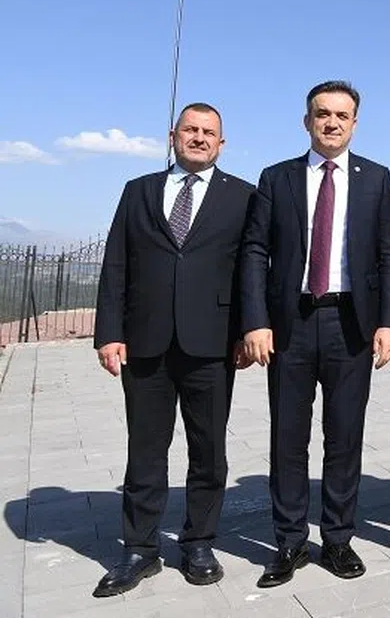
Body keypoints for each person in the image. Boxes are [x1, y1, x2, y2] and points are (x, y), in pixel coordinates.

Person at [240, 80, 390, 587]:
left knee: (344, 436)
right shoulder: (277, 178)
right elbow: (254, 251)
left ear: (355, 123)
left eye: (342, 115)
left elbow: (388, 255)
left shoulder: (376, 178)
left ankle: (337, 539)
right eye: (322, 114)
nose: (332, 122)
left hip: (350, 323)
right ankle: (289, 541)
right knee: (288, 437)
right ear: (307, 121)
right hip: (290, 324)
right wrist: (256, 320)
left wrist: (388, 321)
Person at [91, 103, 255, 597]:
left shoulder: (244, 197)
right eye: (191, 130)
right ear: (172, 135)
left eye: (209, 132)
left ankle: (199, 542)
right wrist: (108, 332)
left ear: (221, 144)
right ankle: (139, 549)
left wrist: (250, 329)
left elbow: (253, 269)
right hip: (145, 343)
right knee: (145, 450)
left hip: (212, 344)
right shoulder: (138, 191)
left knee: (208, 450)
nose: (199, 138)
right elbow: (116, 263)